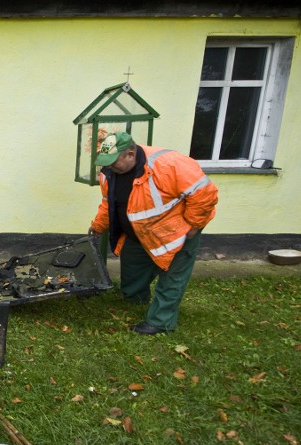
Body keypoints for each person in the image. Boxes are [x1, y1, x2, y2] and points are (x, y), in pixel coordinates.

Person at [88, 131, 218, 334]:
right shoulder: (109, 173)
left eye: (114, 161)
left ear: (130, 153)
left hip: (174, 234)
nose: (108, 167)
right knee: (132, 269)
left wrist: (193, 225)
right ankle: (134, 299)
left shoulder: (169, 164)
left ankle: (160, 322)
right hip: (138, 234)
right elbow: (108, 204)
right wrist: (97, 226)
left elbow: (205, 194)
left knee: (172, 279)